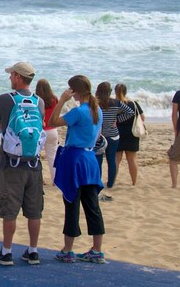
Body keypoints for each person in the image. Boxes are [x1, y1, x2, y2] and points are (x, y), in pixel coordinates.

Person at [0, 62, 45, 265]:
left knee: (9, 210)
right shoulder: (39, 101)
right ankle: (33, 251)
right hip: (34, 164)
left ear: (18, 77)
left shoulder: (4, 99)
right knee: (34, 210)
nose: (10, 78)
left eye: (11, 75)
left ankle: (6, 251)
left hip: (10, 164)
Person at [50, 75, 106, 264]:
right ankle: (97, 249)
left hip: (75, 159)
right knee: (92, 206)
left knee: (72, 202)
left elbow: (53, 120)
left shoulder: (80, 111)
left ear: (75, 91)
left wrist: (62, 100)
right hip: (90, 159)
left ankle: (68, 249)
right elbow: (97, 135)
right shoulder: (97, 111)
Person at [96, 81, 133, 199]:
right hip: (113, 135)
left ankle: (98, 183)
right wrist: (118, 119)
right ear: (110, 92)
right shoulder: (116, 102)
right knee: (111, 160)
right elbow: (130, 112)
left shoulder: (96, 104)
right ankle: (111, 183)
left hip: (100, 136)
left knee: (99, 161)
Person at [114, 83, 143, 186]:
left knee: (116, 159)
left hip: (117, 133)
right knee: (132, 159)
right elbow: (142, 118)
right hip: (132, 133)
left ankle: (112, 181)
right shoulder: (133, 104)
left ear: (115, 92)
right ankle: (134, 182)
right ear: (126, 92)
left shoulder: (114, 104)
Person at [36, 78, 61, 183]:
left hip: (41, 130)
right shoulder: (54, 99)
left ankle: (39, 180)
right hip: (52, 130)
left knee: (36, 156)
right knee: (52, 157)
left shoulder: (36, 100)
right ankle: (55, 180)